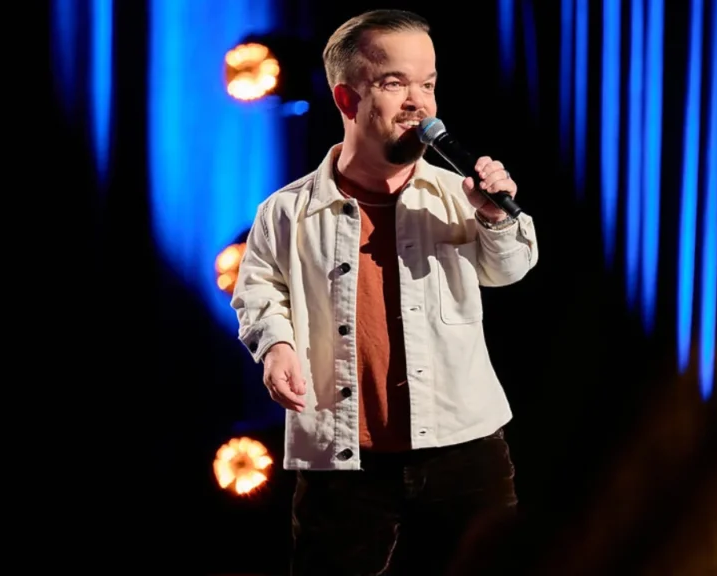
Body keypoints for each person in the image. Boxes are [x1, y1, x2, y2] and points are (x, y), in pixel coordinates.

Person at [231, 9, 539, 575]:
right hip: (342, 459)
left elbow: (513, 268)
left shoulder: (456, 195)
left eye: (428, 83)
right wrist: (275, 347)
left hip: (463, 447)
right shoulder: (288, 210)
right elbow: (258, 289)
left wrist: (496, 217)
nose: (419, 102)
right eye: (396, 83)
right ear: (346, 100)